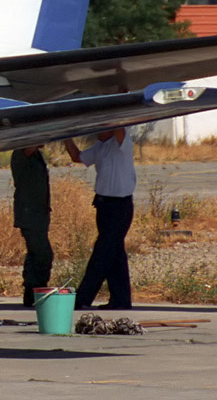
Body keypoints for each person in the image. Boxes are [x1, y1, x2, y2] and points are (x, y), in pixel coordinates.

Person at [63, 128, 136, 310]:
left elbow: (118, 124)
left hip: (120, 205)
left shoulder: (121, 143)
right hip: (103, 205)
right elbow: (77, 157)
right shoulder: (100, 147)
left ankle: (82, 298)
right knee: (115, 253)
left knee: (102, 253)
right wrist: (66, 137)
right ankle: (121, 299)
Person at [9, 146, 53, 307]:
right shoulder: (21, 154)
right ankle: (35, 292)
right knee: (43, 254)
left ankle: (31, 294)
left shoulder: (35, 156)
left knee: (35, 255)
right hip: (30, 214)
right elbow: (30, 144)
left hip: (38, 214)